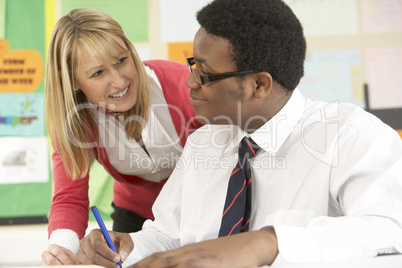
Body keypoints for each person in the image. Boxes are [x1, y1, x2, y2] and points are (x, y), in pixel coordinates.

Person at [77, 0, 402, 267]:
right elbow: (167, 235)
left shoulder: (350, 135)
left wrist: (265, 243)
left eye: (204, 74)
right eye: (193, 66)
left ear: (259, 84)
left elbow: (390, 228)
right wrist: (128, 244)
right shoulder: (203, 142)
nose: (190, 82)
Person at [41, 8, 201, 265]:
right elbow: (69, 197)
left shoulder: (183, 85)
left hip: (202, 212)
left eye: (121, 61)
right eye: (97, 73)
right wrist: (61, 248)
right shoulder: (75, 121)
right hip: (134, 219)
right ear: (72, 80)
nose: (119, 81)